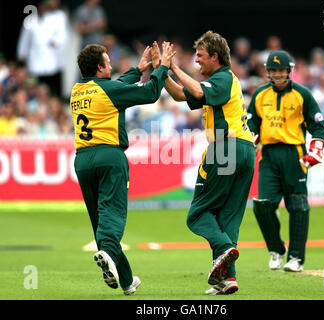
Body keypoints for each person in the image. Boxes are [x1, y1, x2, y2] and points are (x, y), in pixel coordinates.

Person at [153, 31, 255, 295]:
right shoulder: (218, 83)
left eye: (200, 56)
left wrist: (174, 65)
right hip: (244, 150)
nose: (196, 60)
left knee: (198, 214)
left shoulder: (221, 78)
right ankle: (227, 279)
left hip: (225, 147)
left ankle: (224, 250)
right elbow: (179, 95)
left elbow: (196, 88)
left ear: (215, 56)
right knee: (228, 218)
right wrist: (161, 71)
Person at [70, 42, 174, 295]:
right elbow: (150, 93)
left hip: (83, 159)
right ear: (99, 67)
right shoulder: (110, 91)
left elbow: (113, 87)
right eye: (108, 62)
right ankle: (106, 252)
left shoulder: (77, 90)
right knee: (112, 213)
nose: (112, 65)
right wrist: (161, 69)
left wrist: (137, 70)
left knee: (99, 220)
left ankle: (126, 281)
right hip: (109, 156)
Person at [247, 50, 324, 272]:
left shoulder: (302, 94)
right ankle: (277, 249)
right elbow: (251, 122)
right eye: (273, 70)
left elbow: (318, 124)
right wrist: (251, 139)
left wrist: (316, 149)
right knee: (263, 205)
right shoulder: (261, 93)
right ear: (268, 72)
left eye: (281, 70)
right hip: (269, 155)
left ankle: (296, 259)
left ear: (289, 71)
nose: (278, 74)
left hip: (294, 154)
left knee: (297, 206)